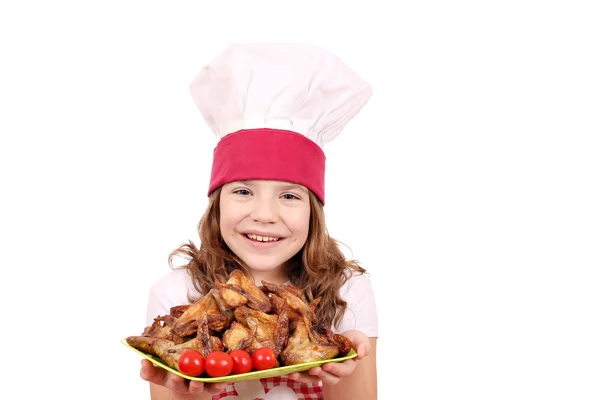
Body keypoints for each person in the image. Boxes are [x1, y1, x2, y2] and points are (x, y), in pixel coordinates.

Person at [139, 43, 378, 400]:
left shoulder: (347, 292)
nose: (265, 215)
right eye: (243, 192)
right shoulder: (176, 293)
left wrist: (347, 366)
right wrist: (193, 390)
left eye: (289, 196)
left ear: (314, 212)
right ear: (216, 204)